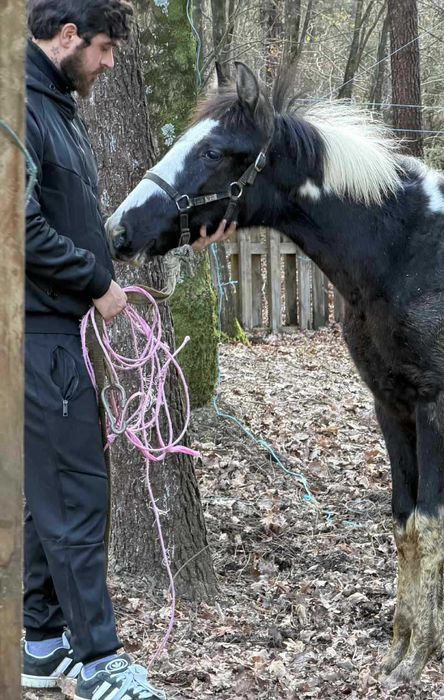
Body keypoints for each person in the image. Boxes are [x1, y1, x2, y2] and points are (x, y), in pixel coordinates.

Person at [22, 2, 230, 697]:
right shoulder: (20, 106)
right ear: (70, 35)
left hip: (56, 332)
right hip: (38, 335)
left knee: (48, 496)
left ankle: (44, 644)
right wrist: (94, 283)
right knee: (78, 497)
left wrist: (179, 230)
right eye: (105, 49)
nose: (109, 64)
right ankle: (100, 665)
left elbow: (78, 227)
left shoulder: (57, 110)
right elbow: (14, 224)